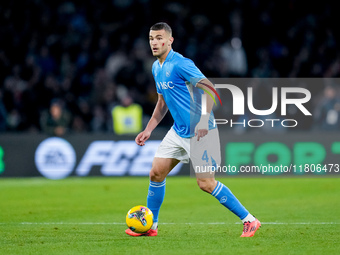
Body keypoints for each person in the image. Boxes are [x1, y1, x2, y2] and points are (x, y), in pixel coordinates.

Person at [125, 22, 260, 237]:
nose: (154, 42)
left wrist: (204, 120)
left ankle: (250, 220)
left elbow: (209, 88)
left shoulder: (180, 64)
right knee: (156, 173)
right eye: (151, 38)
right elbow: (162, 102)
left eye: (159, 38)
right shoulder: (156, 67)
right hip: (178, 132)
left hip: (201, 133)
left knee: (205, 183)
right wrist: (149, 129)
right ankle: (152, 225)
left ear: (170, 40)